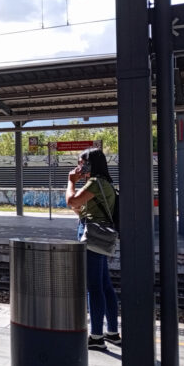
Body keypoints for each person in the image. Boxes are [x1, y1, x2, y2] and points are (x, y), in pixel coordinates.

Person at [65, 147, 121, 350]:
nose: (79, 167)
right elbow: (79, 208)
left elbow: (70, 201)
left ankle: (97, 337)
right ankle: (112, 332)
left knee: (93, 287)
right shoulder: (105, 182)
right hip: (99, 234)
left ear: (90, 163)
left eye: (81, 163)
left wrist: (71, 182)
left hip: (92, 237)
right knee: (105, 285)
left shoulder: (95, 182)